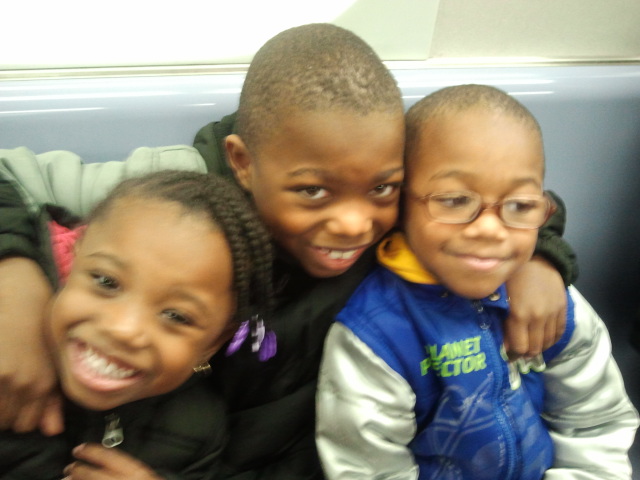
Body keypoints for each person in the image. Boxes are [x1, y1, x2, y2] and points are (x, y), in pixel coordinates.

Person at [0, 24, 578, 479]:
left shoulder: (384, 184)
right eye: (312, 190)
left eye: (382, 187)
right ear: (243, 162)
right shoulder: (175, 196)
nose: (354, 223)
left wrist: (542, 259)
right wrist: (15, 287)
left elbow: (492, 196)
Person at [315, 84, 638, 479]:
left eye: (519, 205)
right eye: (454, 200)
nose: (490, 229)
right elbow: (370, 470)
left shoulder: (558, 304)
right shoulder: (376, 335)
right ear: (400, 204)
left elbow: (595, 423)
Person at [0, 170, 275, 479]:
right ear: (74, 257)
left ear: (212, 343)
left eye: (176, 316)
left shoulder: (197, 429)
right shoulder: (7, 339)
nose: (125, 330)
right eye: (106, 281)